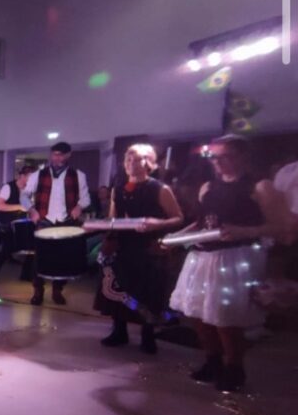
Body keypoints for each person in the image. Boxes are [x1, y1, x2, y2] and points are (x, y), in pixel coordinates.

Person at [168, 135, 289, 392]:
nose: (218, 162)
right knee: (198, 312)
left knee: (225, 316)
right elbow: (203, 222)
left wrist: (244, 231)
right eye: (214, 157)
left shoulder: (259, 187)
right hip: (202, 255)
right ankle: (212, 360)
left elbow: (282, 227)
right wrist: (177, 237)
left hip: (235, 257)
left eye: (226, 156)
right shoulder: (208, 187)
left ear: (243, 156)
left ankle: (234, 366)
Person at [94, 144, 183, 353]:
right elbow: (113, 219)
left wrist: (157, 224)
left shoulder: (160, 189)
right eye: (128, 159)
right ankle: (119, 330)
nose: (131, 164)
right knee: (119, 288)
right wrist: (106, 234)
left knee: (148, 291)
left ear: (149, 163)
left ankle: (148, 334)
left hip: (148, 247)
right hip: (123, 245)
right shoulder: (118, 189)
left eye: (137, 160)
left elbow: (178, 218)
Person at [21, 142, 92, 305]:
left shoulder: (78, 175)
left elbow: (86, 198)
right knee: (40, 257)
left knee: (62, 259)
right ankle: (38, 291)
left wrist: (79, 207)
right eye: (54, 154)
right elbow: (24, 195)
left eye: (60, 155)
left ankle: (57, 291)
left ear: (68, 155)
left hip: (66, 222)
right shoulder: (38, 175)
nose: (56, 158)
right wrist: (32, 210)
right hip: (44, 220)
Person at [0, 165, 33, 284]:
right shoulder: (8, 187)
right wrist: (19, 207)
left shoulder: (28, 190)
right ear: (22, 176)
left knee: (32, 247)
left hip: (19, 223)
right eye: (30, 177)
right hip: (6, 223)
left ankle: (26, 274)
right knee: (5, 250)